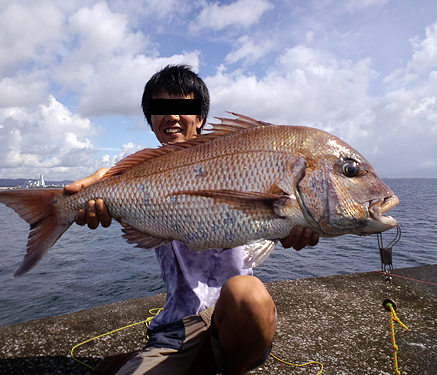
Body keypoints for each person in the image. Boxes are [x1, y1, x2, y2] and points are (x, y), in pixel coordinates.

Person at [64, 65, 319, 375]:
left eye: (183, 107)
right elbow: (117, 176)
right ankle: (155, 360)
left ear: (200, 118)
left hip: (233, 320)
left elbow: (275, 211)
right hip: (175, 328)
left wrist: (296, 227)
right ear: (151, 121)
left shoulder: (242, 156)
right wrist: (93, 187)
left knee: (249, 292)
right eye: (160, 109)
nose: (171, 116)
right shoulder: (146, 169)